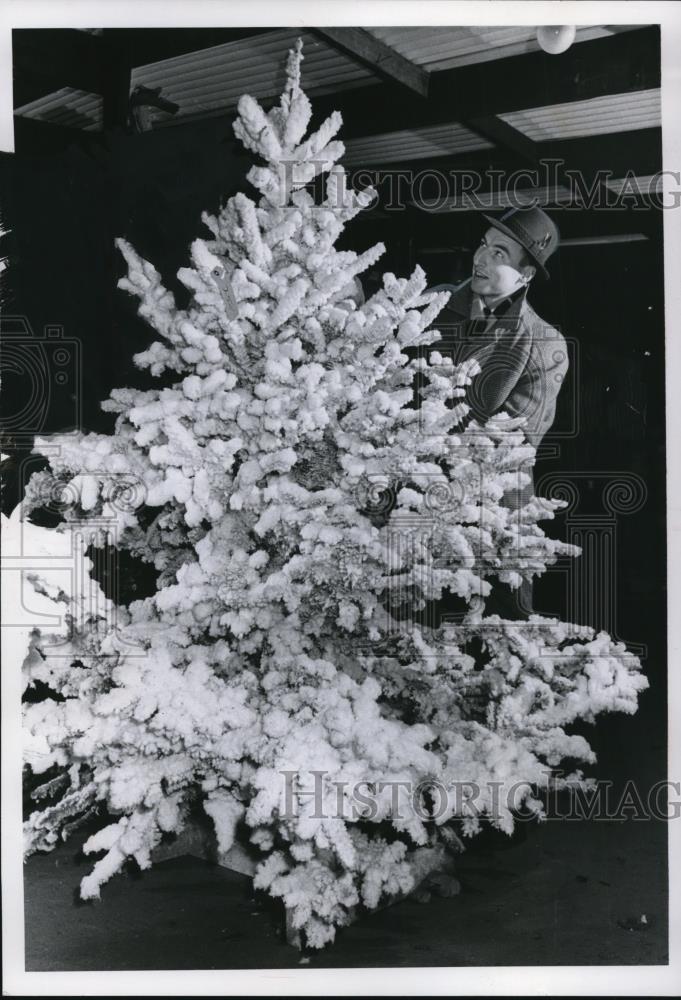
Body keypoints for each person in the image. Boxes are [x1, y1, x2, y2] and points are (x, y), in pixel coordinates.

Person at [427, 204, 569, 619]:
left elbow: (511, 448)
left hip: (492, 506)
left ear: (525, 275)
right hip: (409, 489)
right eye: (484, 245)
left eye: (500, 254)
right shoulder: (432, 303)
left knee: (499, 614)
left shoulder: (545, 345)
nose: (481, 258)